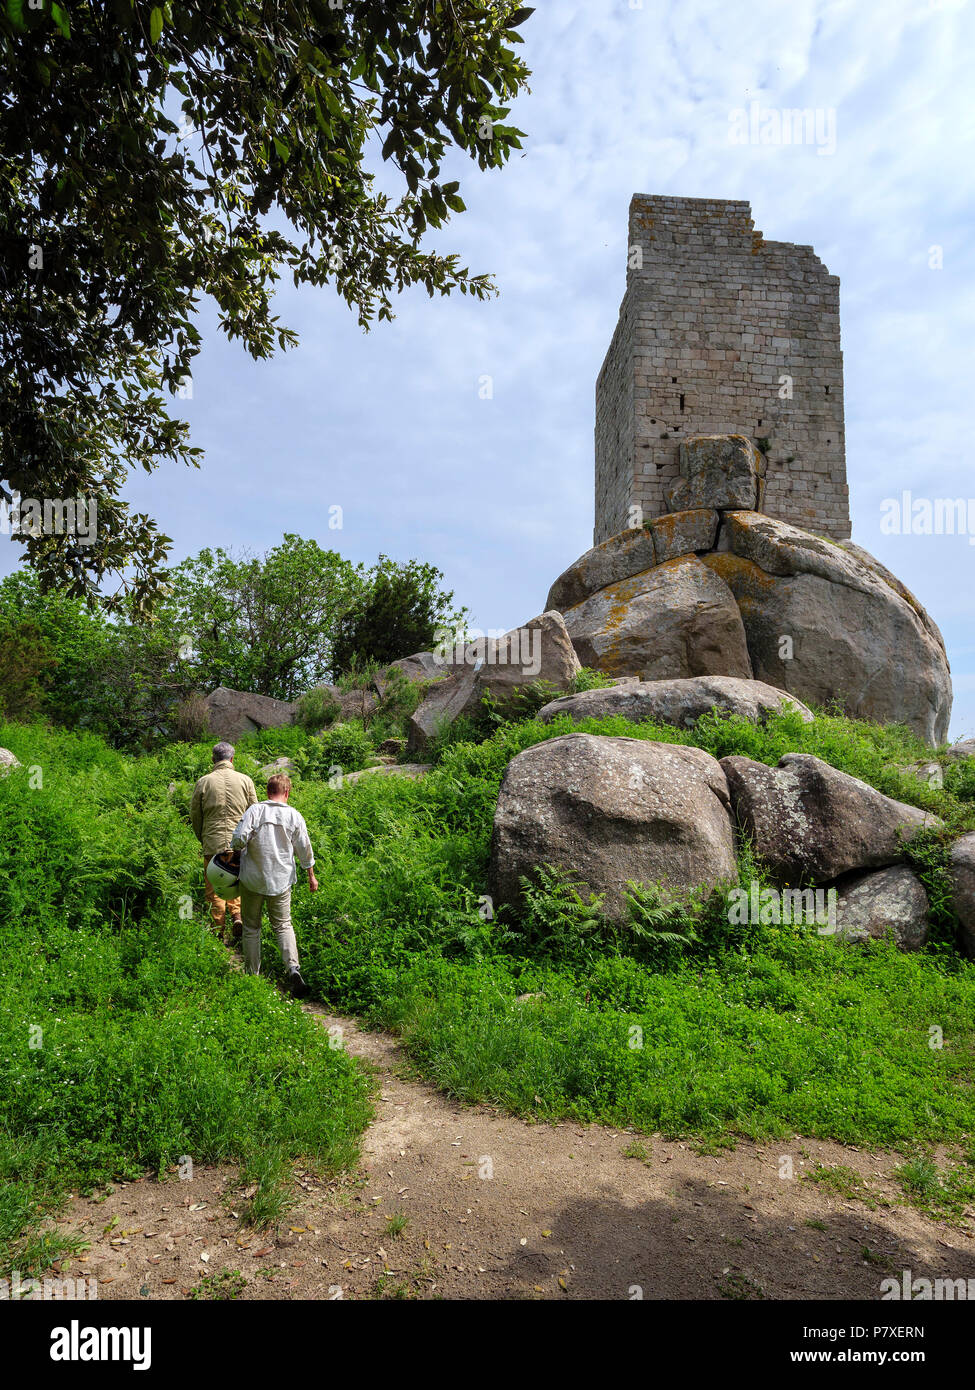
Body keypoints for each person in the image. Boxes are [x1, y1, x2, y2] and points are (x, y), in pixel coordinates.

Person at [231, 772, 317, 997]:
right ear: (286, 792)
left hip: (252, 880)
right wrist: (311, 876)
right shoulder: (295, 816)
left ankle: (252, 976)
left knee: (251, 927)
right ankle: (293, 969)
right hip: (281, 881)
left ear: (267, 791)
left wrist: (238, 850)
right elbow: (304, 849)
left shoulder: (255, 810)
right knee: (283, 925)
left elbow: (238, 839)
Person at [190, 741, 258, 942]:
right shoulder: (246, 781)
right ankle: (237, 915)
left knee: (214, 887)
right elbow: (254, 812)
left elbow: (195, 815)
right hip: (239, 844)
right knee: (237, 879)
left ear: (213, 759)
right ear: (232, 759)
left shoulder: (203, 782)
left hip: (213, 841)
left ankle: (218, 932)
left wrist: (203, 837)